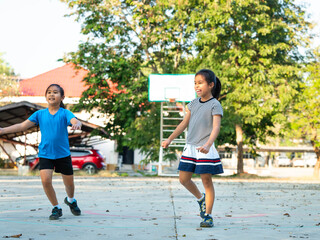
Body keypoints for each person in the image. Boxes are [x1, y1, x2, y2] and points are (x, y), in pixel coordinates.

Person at [0, 84, 82, 220]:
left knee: (69, 184)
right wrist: (3, 130)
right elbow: (22, 126)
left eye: (55, 92)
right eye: (49, 92)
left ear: (62, 97)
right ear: (46, 96)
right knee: (45, 181)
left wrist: (77, 123)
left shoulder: (64, 113)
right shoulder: (39, 114)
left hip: (63, 155)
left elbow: (74, 119)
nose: (51, 94)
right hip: (45, 154)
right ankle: (56, 207)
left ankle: (71, 200)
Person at [161, 69, 223, 228]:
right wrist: (169, 138)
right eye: (195, 83)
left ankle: (208, 215)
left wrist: (208, 144)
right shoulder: (193, 104)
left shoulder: (215, 104)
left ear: (211, 85)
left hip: (205, 148)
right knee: (183, 179)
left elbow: (216, 128)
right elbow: (183, 124)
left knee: (206, 180)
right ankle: (200, 199)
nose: (197, 86)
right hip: (190, 147)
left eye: (200, 82)